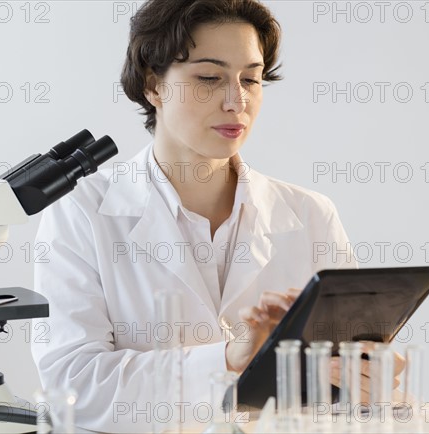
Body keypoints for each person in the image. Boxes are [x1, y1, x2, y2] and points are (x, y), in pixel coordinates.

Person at [31, 0, 403, 432]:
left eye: (250, 78)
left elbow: (339, 395)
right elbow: (72, 387)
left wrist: (365, 382)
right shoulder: (82, 211)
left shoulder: (311, 215)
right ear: (154, 86)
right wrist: (229, 360)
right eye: (210, 77)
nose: (236, 101)